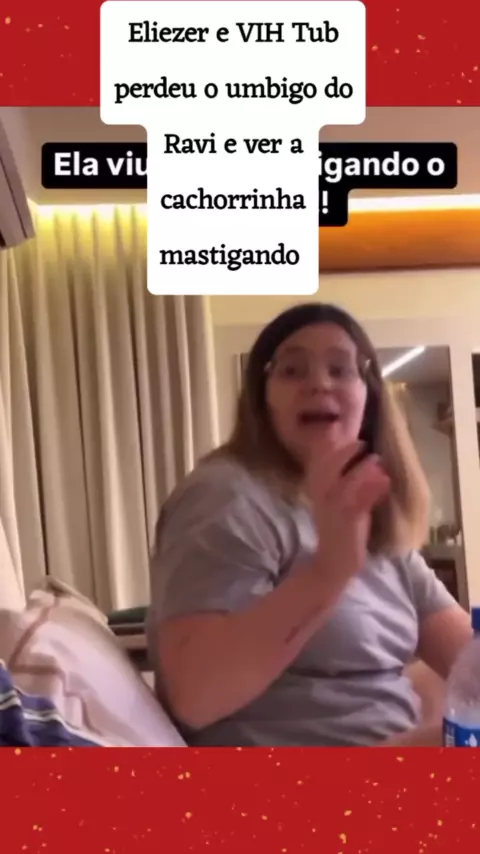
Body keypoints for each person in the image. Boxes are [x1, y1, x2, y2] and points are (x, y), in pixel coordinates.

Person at [147, 303, 472, 747]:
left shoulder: (370, 509)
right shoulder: (225, 496)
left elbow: (465, 655)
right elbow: (196, 696)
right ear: (262, 398)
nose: (319, 383)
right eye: (293, 370)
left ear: (368, 396)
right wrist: (329, 572)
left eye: (340, 369)